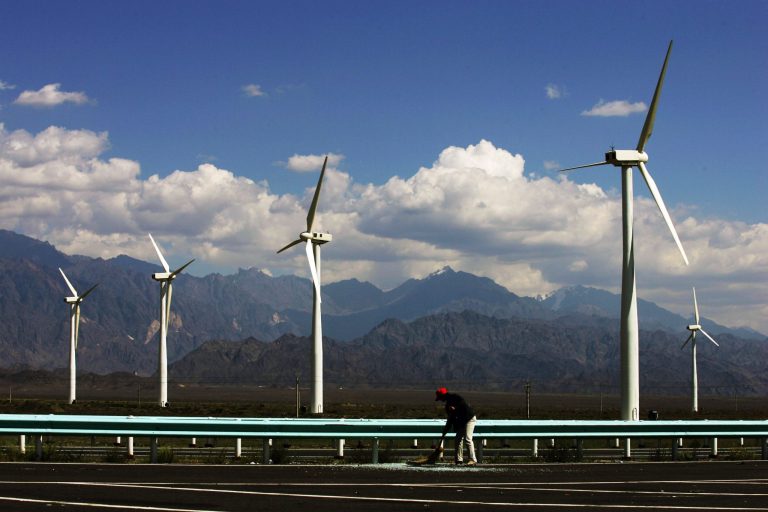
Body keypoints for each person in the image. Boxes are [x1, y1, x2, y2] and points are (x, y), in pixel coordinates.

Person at [435, 387, 477, 465]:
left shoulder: (455, 397)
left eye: (440, 398)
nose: (440, 400)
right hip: (461, 422)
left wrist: (456, 409)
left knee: (467, 439)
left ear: (443, 395)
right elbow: (450, 420)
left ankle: (472, 459)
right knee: (458, 439)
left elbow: (464, 407)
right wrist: (445, 431)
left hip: (469, 419)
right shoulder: (447, 406)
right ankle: (458, 460)